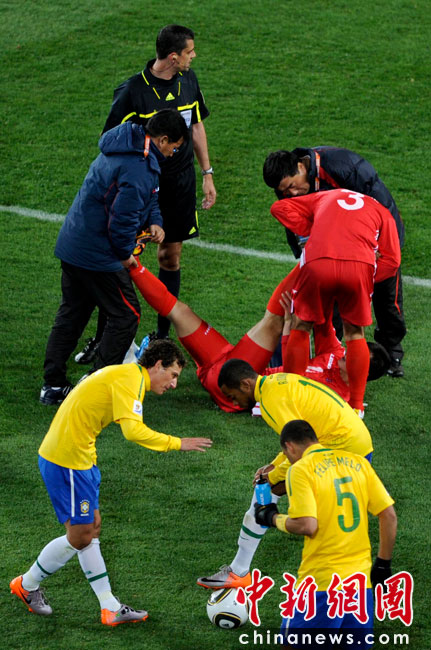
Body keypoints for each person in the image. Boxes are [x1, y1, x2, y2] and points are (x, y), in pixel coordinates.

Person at [11, 340, 212, 625]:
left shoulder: (127, 376)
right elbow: (133, 431)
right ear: (158, 365)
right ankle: (27, 584)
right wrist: (177, 443)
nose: (174, 384)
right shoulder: (130, 379)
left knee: (92, 527)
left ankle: (109, 607)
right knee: (81, 535)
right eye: (173, 375)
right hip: (66, 461)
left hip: (81, 459)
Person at [77, 23, 216, 358]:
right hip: (141, 186)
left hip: (179, 185)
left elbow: (197, 125)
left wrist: (207, 173)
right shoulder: (132, 91)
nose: (194, 56)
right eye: (189, 52)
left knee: (170, 257)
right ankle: (106, 339)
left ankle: (161, 338)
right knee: (121, 259)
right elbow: (109, 140)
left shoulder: (189, 81)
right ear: (173, 56)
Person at [40, 109, 189, 405]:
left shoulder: (129, 145)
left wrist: (155, 220)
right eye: (174, 147)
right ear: (162, 140)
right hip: (97, 254)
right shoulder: (138, 167)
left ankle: (53, 385)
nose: (173, 153)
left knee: (72, 313)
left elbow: (149, 196)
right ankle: (95, 388)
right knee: (126, 315)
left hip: (75, 244)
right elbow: (121, 222)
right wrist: (125, 255)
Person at [196, 357, 374, 591]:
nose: (235, 403)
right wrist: (273, 466)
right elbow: (298, 435)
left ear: (246, 384)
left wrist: (272, 475)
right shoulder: (276, 383)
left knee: (267, 491)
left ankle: (239, 571)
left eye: (233, 396)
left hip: (342, 448)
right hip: (356, 443)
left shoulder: (270, 400)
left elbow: (298, 446)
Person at [129, 261, 391, 411]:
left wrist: (288, 326)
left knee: (275, 321)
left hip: (238, 386)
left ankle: (309, 257)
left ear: (361, 373)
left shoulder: (336, 397)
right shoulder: (335, 353)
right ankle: (131, 263)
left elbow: (292, 380)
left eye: (353, 358)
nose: (347, 353)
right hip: (222, 365)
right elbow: (322, 324)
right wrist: (334, 288)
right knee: (179, 311)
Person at [263, 147, 406, 377]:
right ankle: (331, 355)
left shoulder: (344, 167)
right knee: (331, 301)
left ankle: (392, 352)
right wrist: (309, 250)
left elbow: (382, 206)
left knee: (387, 297)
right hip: (332, 252)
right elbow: (292, 216)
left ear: (300, 166)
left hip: (372, 243)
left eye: (292, 186)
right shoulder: (288, 187)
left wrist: (384, 249)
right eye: (285, 191)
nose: (292, 193)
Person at [254, 420, 397, 648]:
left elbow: (307, 525)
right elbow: (388, 515)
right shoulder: (358, 462)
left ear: (289, 446)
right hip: (359, 585)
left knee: (291, 645)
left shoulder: (300, 469)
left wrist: (272, 517)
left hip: (321, 583)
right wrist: (383, 564)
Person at [269, 188, 401, 411]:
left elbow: (279, 207)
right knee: (355, 333)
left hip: (318, 261)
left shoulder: (326, 195)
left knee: (301, 325)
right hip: (359, 266)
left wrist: (312, 229)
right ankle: (357, 406)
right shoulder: (382, 211)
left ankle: (290, 395)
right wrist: (367, 278)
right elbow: (393, 261)